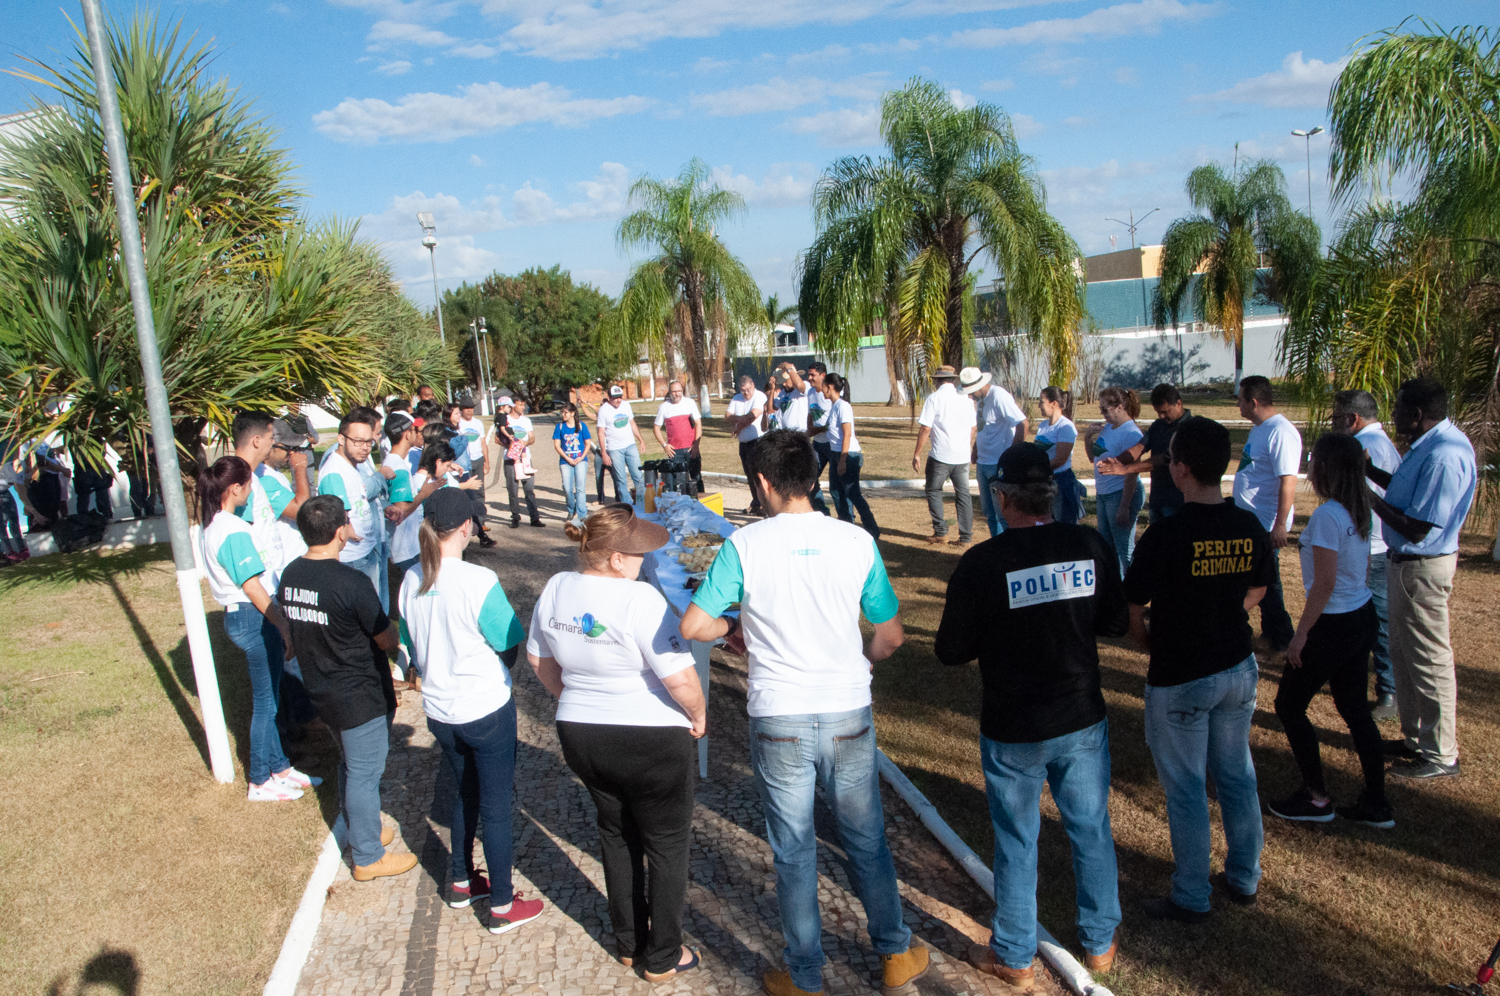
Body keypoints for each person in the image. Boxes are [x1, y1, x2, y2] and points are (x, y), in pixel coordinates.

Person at [680, 430, 928, 996]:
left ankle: (805, 976)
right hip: (846, 710)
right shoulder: (856, 541)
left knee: (793, 849)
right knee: (866, 839)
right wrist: (858, 664)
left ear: (763, 483)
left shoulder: (744, 546)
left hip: (779, 715)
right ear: (814, 479)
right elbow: (890, 637)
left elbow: (693, 627)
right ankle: (894, 954)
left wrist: (733, 628)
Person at [935, 442, 1127, 988]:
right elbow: (1114, 621)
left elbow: (950, 649)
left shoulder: (983, 564)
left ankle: (1016, 955)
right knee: (1090, 827)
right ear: (1049, 493)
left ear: (1000, 498)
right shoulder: (1087, 544)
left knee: (1017, 839)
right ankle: (1099, 941)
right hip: (1079, 716)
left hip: (1015, 726)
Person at [527, 505, 707, 981]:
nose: (643, 561)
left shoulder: (556, 587)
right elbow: (681, 679)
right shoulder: (641, 600)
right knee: (666, 844)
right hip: (649, 739)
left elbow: (538, 658)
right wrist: (699, 714)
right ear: (614, 560)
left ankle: (628, 942)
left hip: (582, 733)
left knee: (615, 833)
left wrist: (574, 698)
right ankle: (664, 956)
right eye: (636, 554)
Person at [1123, 417, 1273, 921]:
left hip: (1182, 674)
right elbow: (1258, 589)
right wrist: (1225, 613)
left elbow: (1132, 610)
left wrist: (1153, 644)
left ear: (1182, 469)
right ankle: (1244, 877)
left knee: (1187, 788)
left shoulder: (1165, 535)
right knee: (1237, 776)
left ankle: (1191, 894)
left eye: (1171, 462)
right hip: (1237, 667)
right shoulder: (1248, 526)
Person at [399, 489, 545, 933]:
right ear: (467, 527)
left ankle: (461, 881)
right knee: (497, 808)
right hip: (485, 709)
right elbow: (508, 643)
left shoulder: (410, 579)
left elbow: (408, 647)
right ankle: (502, 904)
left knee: (463, 793)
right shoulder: (477, 581)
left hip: (440, 711)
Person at [280, 496, 416, 880]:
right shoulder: (351, 582)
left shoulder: (291, 574)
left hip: (320, 688)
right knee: (364, 774)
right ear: (341, 531)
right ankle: (369, 857)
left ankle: (363, 829)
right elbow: (385, 637)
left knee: (349, 764)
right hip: (359, 694)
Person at [1267, 434, 1391, 828]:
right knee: (1354, 709)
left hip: (1334, 623)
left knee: (1289, 705)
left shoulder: (1327, 516)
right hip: (1360, 616)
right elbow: (1362, 569)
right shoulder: (1359, 509)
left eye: (1314, 459)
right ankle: (1376, 802)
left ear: (1326, 468)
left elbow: (1324, 584)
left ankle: (1317, 798)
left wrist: (1301, 635)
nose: (1308, 465)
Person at [1367, 377, 1476, 780]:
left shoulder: (1445, 455)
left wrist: (1368, 498)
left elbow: (1418, 527)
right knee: (1405, 655)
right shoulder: (1425, 447)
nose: (1392, 416)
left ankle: (1441, 754)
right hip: (1405, 566)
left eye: (1396, 409)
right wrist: (1371, 473)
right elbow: (1406, 494)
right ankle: (1415, 738)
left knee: (1428, 660)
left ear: (1415, 414)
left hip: (1422, 567)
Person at [197, 455, 316, 802]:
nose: (252, 491)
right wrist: (281, 623)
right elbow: (251, 585)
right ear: (236, 489)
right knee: (265, 705)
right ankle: (260, 778)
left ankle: (280, 767)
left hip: (247, 615)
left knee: (273, 699)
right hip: (252, 615)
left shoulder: (219, 525)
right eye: (249, 485)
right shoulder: (231, 530)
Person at [1330, 389, 1402, 720]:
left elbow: (1361, 498)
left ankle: (1389, 691)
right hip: (1370, 542)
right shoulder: (1380, 443)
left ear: (1352, 419)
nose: (1332, 424)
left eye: (1335, 418)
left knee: (1378, 621)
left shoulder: (1365, 446)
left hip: (1369, 545)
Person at [1232, 375, 1301, 651]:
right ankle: (1270, 633)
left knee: (1267, 583)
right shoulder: (1259, 428)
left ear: (1254, 402)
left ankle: (1281, 638)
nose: (1238, 404)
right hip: (1250, 519)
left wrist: (1280, 524)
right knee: (1254, 579)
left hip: (1266, 521)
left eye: (1240, 399)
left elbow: (1288, 480)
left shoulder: (1280, 431)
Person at [318, 407, 391, 613]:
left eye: (369, 441)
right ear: (341, 439)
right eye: (358, 441)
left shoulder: (352, 466)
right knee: (364, 615)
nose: (366, 447)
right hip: (352, 558)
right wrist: (347, 526)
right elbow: (337, 511)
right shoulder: (334, 470)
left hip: (365, 551)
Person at [1096, 384, 1192, 525]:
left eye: (1165, 411)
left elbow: (1165, 458)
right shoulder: (1158, 425)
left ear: (1178, 403)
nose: (1161, 416)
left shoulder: (1190, 427)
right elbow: (1139, 448)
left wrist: (1125, 469)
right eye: (1158, 412)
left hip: (1180, 500)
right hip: (1158, 498)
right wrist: (1117, 460)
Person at [913, 364, 978, 545]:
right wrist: (965, 443)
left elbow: (926, 428)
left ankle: (941, 531)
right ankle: (966, 536)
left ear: (938, 380)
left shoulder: (934, 398)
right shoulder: (966, 398)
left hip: (941, 454)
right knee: (963, 494)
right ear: (953, 379)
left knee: (933, 490)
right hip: (962, 455)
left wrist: (917, 453)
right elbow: (973, 426)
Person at [1087, 387, 1145, 577]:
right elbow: (1092, 458)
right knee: (1106, 545)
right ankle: (1111, 588)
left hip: (1119, 493)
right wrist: (1088, 437)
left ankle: (1127, 592)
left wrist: (1124, 505)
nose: (1102, 413)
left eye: (1105, 409)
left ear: (1119, 407)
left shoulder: (1131, 433)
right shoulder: (1109, 428)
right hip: (1104, 494)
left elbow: (1132, 473)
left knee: (1123, 549)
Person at [968, 367, 1027, 538]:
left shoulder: (999, 396)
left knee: (1003, 513)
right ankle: (997, 545)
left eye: (971, 392)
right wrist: (976, 448)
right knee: (988, 511)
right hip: (983, 463)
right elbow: (983, 427)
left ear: (980, 384)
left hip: (998, 464)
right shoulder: (980, 400)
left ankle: (1009, 549)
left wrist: (1012, 456)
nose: (969, 396)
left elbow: (1023, 424)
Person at [822, 373, 878, 539]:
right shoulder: (834, 406)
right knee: (836, 491)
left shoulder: (843, 406)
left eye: (824, 386)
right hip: (836, 453)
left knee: (853, 494)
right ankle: (846, 525)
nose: (822, 390)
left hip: (847, 454)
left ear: (830, 386)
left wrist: (843, 460)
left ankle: (872, 529)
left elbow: (847, 434)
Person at [773, 363, 831, 513]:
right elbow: (772, 408)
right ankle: (814, 509)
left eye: (786, 379)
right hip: (801, 441)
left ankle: (829, 512)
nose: (784, 382)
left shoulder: (804, 388)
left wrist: (789, 367)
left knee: (822, 481)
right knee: (804, 478)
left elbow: (799, 384)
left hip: (814, 441)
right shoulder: (789, 393)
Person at [1035, 387, 1080, 525]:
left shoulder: (1065, 427)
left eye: (1041, 401)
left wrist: (1038, 470)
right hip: (1044, 480)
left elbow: (1060, 459)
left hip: (1061, 482)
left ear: (1053, 403)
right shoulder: (1043, 425)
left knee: (1063, 527)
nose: (1038, 405)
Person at [495, 397, 542, 530]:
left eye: (524, 405)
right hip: (510, 459)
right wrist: (510, 445)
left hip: (525, 458)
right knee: (513, 490)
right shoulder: (505, 419)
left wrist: (525, 443)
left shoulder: (526, 421)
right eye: (521, 405)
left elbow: (532, 437)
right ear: (513, 405)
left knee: (529, 489)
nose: (523, 407)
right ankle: (515, 516)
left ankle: (535, 517)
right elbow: (496, 438)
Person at [725, 374, 768, 514]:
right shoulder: (736, 398)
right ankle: (756, 502)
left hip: (759, 441)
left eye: (748, 389)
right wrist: (740, 420)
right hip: (744, 443)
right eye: (742, 390)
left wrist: (737, 426)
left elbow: (753, 415)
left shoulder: (760, 396)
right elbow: (727, 416)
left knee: (761, 474)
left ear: (753, 385)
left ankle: (765, 504)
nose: (745, 393)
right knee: (750, 474)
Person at [597, 386, 645, 504]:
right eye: (615, 398)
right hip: (614, 448)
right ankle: (627, 505)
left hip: (630, 445)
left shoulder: (626, 405)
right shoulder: (603, 410)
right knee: (620, 479)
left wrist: (641, 440)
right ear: (609, 398)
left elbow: (632, 423)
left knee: (638, 476)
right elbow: (601, 432)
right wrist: (604, 452)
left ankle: (643, 502)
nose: (618, 400)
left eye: (620, 397)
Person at [652, 381, 703, 493]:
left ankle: (701, 503)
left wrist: (696, 445)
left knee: (696, 478)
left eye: (679, 391)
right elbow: (656, 428)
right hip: (675, 452)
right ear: (669, 392)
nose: (677, 394)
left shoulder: (690, 403)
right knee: (677, 482)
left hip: (691, 449)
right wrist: (664, 445)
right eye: (674, 391)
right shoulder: (664, 407)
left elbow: (698, 423)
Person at [552, 403, 592, 527]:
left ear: (572, 413)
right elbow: (557, 446)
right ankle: (571, 509)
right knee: (567, 488)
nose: (563, 415)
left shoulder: (581, 426)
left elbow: (588, 444)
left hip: (580, 460)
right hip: (566, 461)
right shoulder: (559, 427)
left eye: (565, 412)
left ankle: (582, 515)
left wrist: (581, 457)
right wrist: (567, 458)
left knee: (580, 487)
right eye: (562, 412)